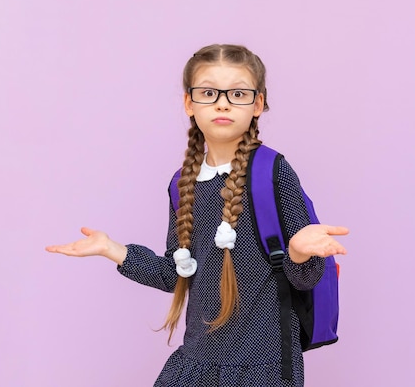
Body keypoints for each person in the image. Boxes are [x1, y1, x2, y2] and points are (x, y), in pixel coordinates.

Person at [45, 44, 349, 386]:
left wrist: (298, 251)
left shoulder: (272, 171)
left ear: (258, 104)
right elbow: (175, 273)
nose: (222, 102)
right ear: (189, 102)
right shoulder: (182, 184)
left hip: (262, 368)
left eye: (237, 93)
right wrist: (111, 249)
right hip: (197, 362)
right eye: (208, 92)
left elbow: (305, 279)